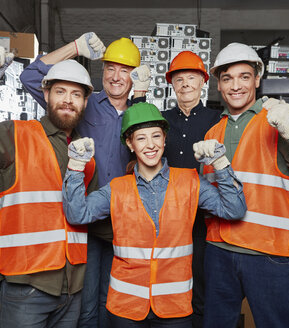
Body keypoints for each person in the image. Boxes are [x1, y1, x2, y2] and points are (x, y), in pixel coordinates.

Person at [0, 47, 98, 328]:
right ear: (46, 94)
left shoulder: (85, 155)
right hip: (27, 288)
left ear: (85, 103)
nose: (68, 100)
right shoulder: (16, 136)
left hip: (73, 289)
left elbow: (92, 215)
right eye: (60, 92)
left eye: (76, 95)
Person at [61, 102, 247, 327]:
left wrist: (220, 163)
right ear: (130, 144)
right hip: (125, 307)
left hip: (174, 307)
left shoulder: (190, 182)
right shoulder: (117, 188)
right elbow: (77, 214)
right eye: (141, 138)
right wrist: (76, 167)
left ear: (165, 139)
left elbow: (235, 209)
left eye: (156, 136)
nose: (150, 145)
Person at [20, 33, 151, 327]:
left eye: (125, 70)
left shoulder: (142, 111)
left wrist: (141, 98)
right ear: (101, 71)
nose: (117, 77)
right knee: (87, 305)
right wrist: (74, 48)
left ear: (135, 76)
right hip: (86, 221)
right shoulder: (83, 103)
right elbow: (30, 77)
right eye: (110, 68)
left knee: (116, 301)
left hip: (126, 222)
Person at [202, 42, 289, 328]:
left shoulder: (279, 120)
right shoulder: (213, 132)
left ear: (257, 79)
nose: (236, 86)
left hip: (267, 255)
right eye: (227, 78)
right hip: (219, 253)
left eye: (244, 76)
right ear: (219, 87)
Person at [161, 51, 221, 326]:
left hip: (203, 218)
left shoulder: (217, 120)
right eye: (179, 78)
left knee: (201, 285)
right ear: (172, 84)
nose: (185, 83)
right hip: (165, 216)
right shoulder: (160, 120)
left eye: (191, 77)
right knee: (167, 281)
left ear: (202, 82)